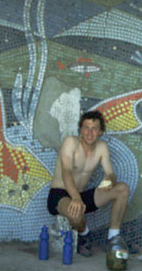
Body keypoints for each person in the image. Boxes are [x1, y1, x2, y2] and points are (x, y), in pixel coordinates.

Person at [47, 110, 130, 257]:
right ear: (80, 129)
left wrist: (109, 180)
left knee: (122, 189)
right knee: (76, 212)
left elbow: (110, 173)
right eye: (86, 128)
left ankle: (113, 238)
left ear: (101, 132)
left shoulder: (101, 147)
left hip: (81, 195)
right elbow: (66, 171)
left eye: (94, 129)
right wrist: (75, 198)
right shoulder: (71, 142)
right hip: (60, 194)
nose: (90, 133)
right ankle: (85, 234)